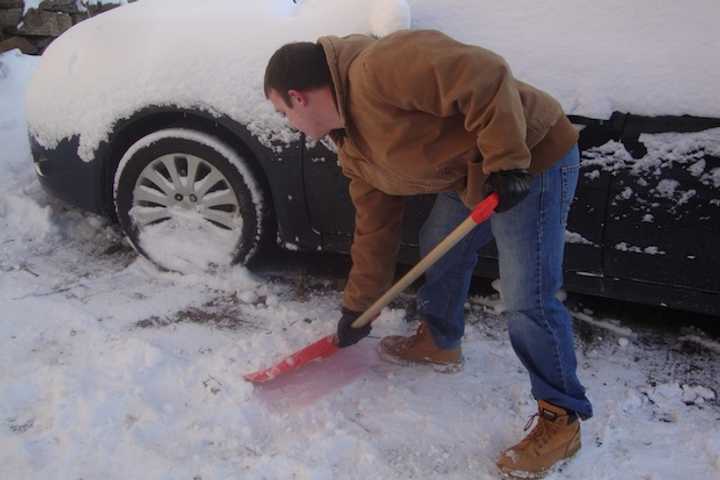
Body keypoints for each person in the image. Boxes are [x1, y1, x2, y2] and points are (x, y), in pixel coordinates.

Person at [264, 29, 593, 478]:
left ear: (298, 98)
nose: (289, 124)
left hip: (530, 156)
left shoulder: (379, 67)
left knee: (526, 297)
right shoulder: (354, 151)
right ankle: (440, 341)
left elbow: (485, 75)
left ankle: (562, 418)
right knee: (440, 245)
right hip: (475, 170)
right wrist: (359, 308)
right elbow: (375, 230)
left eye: (283, 112)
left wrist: (506, 162)